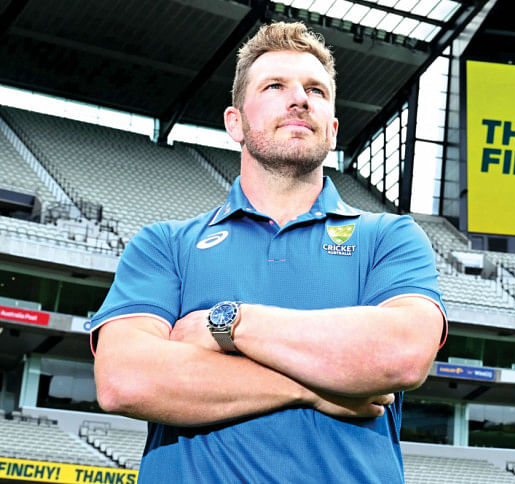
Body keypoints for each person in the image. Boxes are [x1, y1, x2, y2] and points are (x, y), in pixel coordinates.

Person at [90, 22, 446, 483]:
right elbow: (125, 380)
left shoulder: (390, 236)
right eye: (275, 86)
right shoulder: (165, 245)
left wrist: (228, 324)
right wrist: (318, 386)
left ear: (333, 130)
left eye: (315, 90)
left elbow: (401, 354)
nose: (299, 99)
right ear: (235, 122)